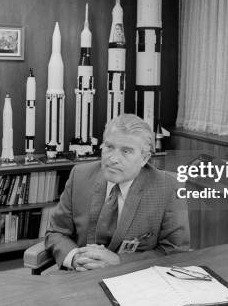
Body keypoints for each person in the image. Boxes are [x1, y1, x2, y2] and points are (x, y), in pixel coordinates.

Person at [44, 113, 190, 271]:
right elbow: (56, 232)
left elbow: (175, 252)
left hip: (136, 280)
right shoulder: (79, 175)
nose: (113, 159)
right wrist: (74, 257)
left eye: (126, 151)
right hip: (81, 277)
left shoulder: (168, 187)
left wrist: (120, 261)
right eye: (109, 147)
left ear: (144, 158)